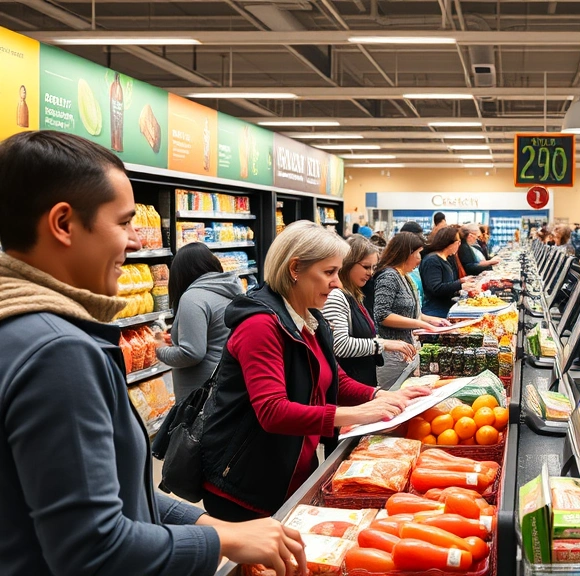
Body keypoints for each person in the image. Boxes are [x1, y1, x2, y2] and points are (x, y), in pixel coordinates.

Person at [0, 130, 308, 575]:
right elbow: (95, 550)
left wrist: (208, 523)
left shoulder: (21, 327)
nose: (137, 242)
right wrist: (221, 537)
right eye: (123, 222)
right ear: (63, 224)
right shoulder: (57, 352)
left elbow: (122, 495)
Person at [199, 221, 429, 521]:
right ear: (295, 268)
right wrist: (359, 414)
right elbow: (273, 411)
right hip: (246, 482)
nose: (337, 283)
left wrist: (381, 395)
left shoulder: (309, 318)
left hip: (291, 469)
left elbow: (333, 378)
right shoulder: (260, 326)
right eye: (329, 272)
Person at [323, 235, 417, 387]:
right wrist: (384, 344)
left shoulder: (354, 295)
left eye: (373, 267)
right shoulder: (336, 297)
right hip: (348, 386)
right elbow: (339, 345)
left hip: (360, 382)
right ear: (347, 264)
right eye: (366, 267)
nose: (370, 273)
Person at [157, 242, 243, 399]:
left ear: (180, 273)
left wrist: (159, 349)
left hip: (199, 398)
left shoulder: (193, 297)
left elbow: (191, 353)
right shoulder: (228, 290)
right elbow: (214, 335)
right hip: (224, 387)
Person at [374, 231, 451, 387]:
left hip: (406, 351)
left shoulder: (405, 276)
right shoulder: (389, 276)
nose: (419, 259)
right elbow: (382, 315)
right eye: (417, 254)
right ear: (406, 254)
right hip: (391, 354)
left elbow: (414, 313)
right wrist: (421, 324)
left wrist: (434, 321)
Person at [420, 225, 473, 318]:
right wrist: (460, 285)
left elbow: (448, 284)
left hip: (445, 306)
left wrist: (461, 282)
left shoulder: (447, 258)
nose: (459, 245)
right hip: (436, 310)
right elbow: (436, 288)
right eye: (458, 242)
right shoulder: (432, 260)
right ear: (451, 243)